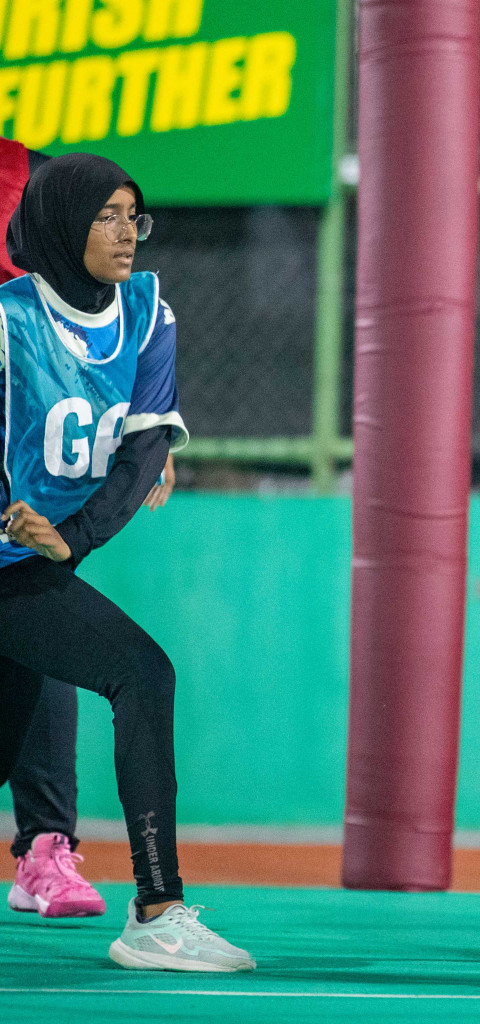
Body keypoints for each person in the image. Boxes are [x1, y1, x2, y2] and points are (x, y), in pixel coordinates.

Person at [0, 152, 253, 971]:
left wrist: (74, 540)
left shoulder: (147, 316)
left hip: (38, 563)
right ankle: (158, 908)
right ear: (63, 223)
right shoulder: (7, 321)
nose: (125, 233)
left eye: (132, 215)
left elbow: (144, 453)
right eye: (106, 216)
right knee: (142, 673)